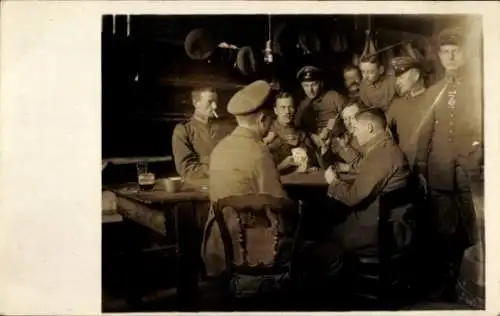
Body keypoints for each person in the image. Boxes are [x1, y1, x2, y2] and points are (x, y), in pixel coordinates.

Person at [415, 27, 483, 299]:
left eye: (456, 51)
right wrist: (421, 168)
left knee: (474, 231)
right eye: (445, 52)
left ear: (464, 54)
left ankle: (474, 284)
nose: (451, 56)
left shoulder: (480, 88)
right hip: (440, 175)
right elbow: (424, 132)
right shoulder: (433, 92)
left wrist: (479, 157)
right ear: (440, 57)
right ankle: (447, 285)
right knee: (443, 234)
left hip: (470, 173)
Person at [202, 80, 292, 278]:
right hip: (253, 250)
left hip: (220, 246)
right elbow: (278, 202)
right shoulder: (259, 152)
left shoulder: (219, 149)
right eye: (269, 120)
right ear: (261, 119)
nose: (270, 125)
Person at [324, 108, 412, 253]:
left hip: (380, 230)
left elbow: (353, 197)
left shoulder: (381, 153)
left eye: (356, 128)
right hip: (386, 222)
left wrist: (333, 183)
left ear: (369, 128)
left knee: (322, 233)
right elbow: (365, 169)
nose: (354, 132)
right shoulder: (384, 147)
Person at [171, 87, 235, 187]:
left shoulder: (228, 128)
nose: (215, 106)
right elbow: (186, 169)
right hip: (200, 189)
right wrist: (220, 170)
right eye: (210, 102)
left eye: (216, 101)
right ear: (196, 103)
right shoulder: (183, 130)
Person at [386, 56, 432, 169]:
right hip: (405, 167)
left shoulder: (434, 99)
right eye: (396, 78)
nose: (397, 81)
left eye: (401, 77)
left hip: (431, 167)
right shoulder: (397, 104)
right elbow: (385, 134)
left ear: (416, 76)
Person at [264, 92, 320, 174]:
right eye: (283, 107)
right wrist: (282, 166)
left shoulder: (301, 134)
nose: (287, 112)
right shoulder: (267, 133)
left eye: (290, 107)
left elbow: (312, 161)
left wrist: (309, 166)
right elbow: (260, 172)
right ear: (276, 110)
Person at [294, 65, 347, 136]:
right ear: (301, 86)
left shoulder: (334, 97)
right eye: (306, 86)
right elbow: (297, 127)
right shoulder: (303, 105)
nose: (310, 90)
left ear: (321, 83)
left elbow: (351, 120)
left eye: (314, 85)